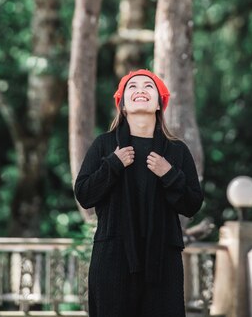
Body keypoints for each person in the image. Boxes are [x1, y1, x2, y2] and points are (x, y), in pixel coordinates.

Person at [74, 68, 203, 317]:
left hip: (163, 260)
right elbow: (84, 194)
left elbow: (192, 204)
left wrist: (169, 174)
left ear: (159, 103)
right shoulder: (105, 145)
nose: (140, 90)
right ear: (122, 105)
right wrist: (112, 164)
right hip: (113, 258)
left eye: (148, 86)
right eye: (132, 87)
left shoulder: (176, 151)